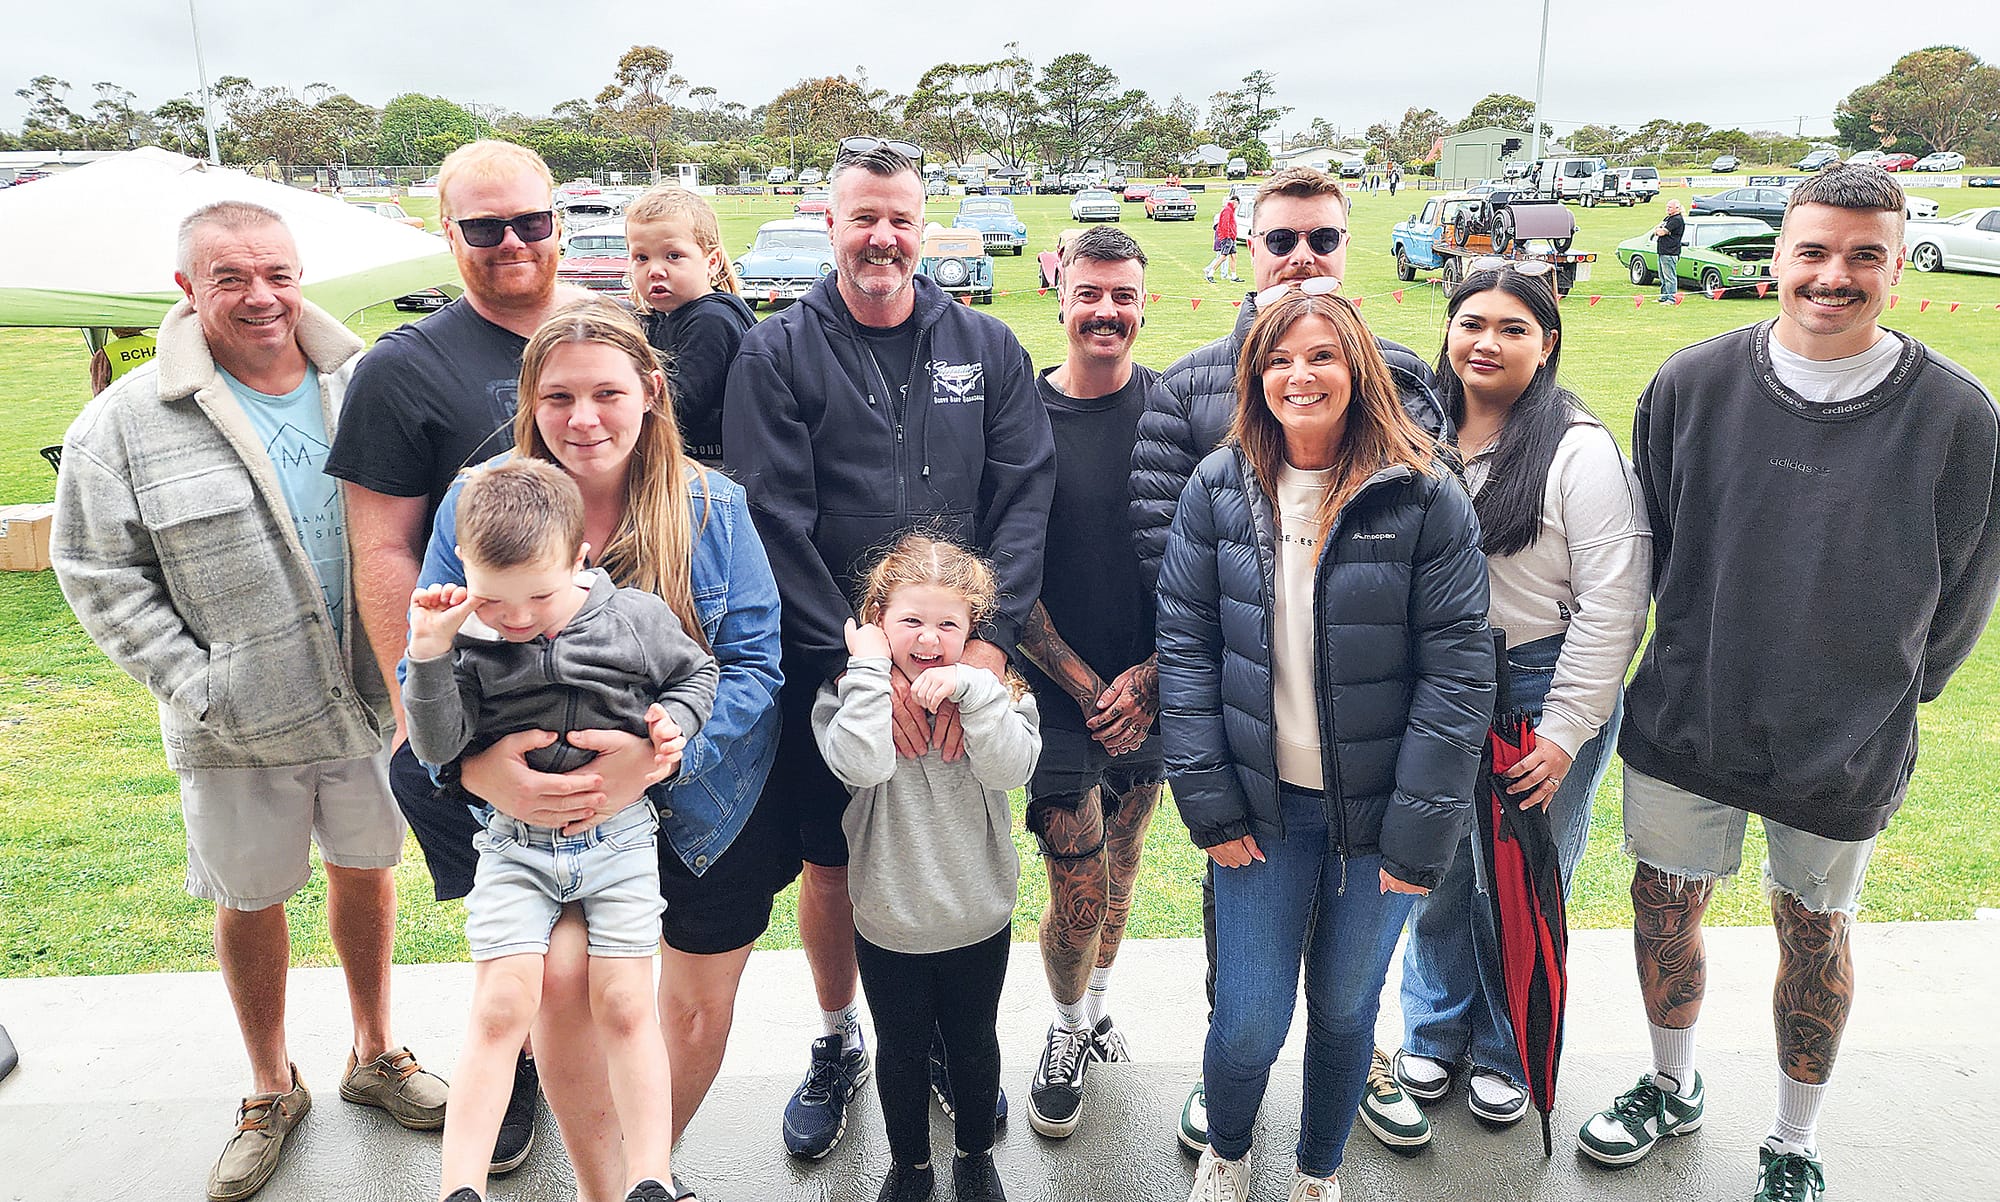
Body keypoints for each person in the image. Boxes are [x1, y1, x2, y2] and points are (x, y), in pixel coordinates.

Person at [1578, 166, 1999, 1202]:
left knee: (1813, 932)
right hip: (1689, 710)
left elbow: (1964, 584)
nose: (1832, 275)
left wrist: (1892, 688)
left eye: (1863, 255)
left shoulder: (1955, 413)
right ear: (1776, 257)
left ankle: (1791, 1138)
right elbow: (1651, 543)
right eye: (1812, 250)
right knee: (1662, 906)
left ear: (1897, 269)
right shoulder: (1690, 382)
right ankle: (1669, 1085)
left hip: (1842, 736)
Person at [50, 200, 449, 1202]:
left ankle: (374, 1051)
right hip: (233, 720)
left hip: (371, 696)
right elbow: (95, 569)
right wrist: (198, 684)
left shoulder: (366, 383)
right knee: (250, 895)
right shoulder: (124, 422)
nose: (261, 295)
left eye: (277, 272)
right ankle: (271, 1086)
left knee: (368, 869)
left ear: (300, 274)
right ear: (187, 289)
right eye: (230, 278)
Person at [723, 137, 1054, 1160]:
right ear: (829, 223)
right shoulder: (776, 352)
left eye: (899, 219)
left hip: (963, 661)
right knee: (833, 860)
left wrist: (987, 649)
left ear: (922, 228)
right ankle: (840, 1038)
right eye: (862, 217)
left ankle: (949, 1040)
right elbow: (774, 518)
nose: (881, 237)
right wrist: (860, 666)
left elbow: (1024, 493)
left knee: (954, 841)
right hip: (838, 665)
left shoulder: (985, 345)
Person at [412, 301, 785, 1202]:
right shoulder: (478, 502)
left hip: (702, 800)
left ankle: (651, 1166)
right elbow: (426, 653)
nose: (583, 420)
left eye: (608, 394)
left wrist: (660, 756)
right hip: (538, 810)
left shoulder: (712, 506)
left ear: (651, 391)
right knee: (564, 988)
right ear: (528, 403)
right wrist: (476, 770)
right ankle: (602, 1188)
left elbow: (753, 663)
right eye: (559, 397)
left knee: (687, 1005)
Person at [1127, 164, 1449, 1153]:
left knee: (1350, 981)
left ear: (1347, 246)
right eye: (1281, 239)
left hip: (1368, 745)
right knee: (1246, 973)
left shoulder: (1402, 377)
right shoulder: (1187, 385)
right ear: (1249, 245)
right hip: (1245, 735)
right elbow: (1167, 560)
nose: (1302, 257)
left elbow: (1431, 582)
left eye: (1322, 238)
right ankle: (1232, 1069)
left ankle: (1350, 1081)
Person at [1157, 289, 1495, 1202]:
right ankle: (1229, 1153)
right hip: (1261, 815)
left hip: (1377, 821)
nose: (1298, 376)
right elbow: (1186, 651)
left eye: (1321, 357)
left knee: (1346, 1011)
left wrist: (1417, 838)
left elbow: (1458, 675)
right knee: (1247, 1022)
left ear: (1359, 371)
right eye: (1278, 360)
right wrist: (1211, 804)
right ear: (1254, 377)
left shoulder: (1423, 493)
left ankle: (1318, 1171)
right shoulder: (1218, 486)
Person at [326, 138, 590, 1174]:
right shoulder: (404, 368)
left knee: (609, 907)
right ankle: (516, 1066)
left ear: (559, 221)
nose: (511, 242)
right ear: (448, 235)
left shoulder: (612, 336)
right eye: (484, 226)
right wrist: (415, 699)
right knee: (511, 907)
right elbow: (382, 545)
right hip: (483, 691)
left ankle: (598, 1071)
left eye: (530, 220)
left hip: (611, 677)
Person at [1362, 262, 1651, 1149]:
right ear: (1448, 331)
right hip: (1437, 684)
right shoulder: (1415, 427)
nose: (1486, 342)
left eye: (1513, 328)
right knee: (1438, 864)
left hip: (1536, 681)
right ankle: (1433, 1032)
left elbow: (1615, 603)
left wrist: (1564, 733)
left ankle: (1506, 1047)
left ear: (1547, 343)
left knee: (1524, 872)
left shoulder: (1579, 451)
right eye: (1472, 323)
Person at [403, 458, 720, 1202]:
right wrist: (428, 654)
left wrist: (673, 724)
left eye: (538, 597)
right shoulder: (466, 640)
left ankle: (649, 1177)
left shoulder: (633, 618)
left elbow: (697, 673)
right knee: (501, 1005)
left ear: (579, 559)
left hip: (618, 842)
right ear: (465, 566)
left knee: (624, 1001)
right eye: (493, 598)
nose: (515, 619)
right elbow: (436, 747)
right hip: (516, 848)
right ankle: (459, 1187)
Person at [815, 534, 1042, 1202]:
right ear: (876, 621)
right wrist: (865, 672)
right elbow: (861, 765)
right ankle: (909, 1166)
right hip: (889, 923)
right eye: (910, 620)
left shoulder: (1002, 696)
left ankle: (975, 1157)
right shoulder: (847, 698)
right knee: (902, 1049)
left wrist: (977, 691)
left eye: (948, 624)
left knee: (974, 1043)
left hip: (978, 918)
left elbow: (1011, 769)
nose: (927, 638)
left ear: (973, 630)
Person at [1011, 227, 1167, 1140]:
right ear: (1061, 296)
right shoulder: (1021, 417)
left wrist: (1148, 680)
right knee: (1078, 885)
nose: (1106, 311)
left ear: (1143, 303)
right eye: (1090, 294)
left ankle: (1098, 1008)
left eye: (1123, 295)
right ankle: (1066, 1027)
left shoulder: (1172, 410)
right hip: (1057, 697)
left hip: (1154, 691)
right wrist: (1082, 687)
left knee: (1126, 860)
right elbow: (1007, 572)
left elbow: (1205, 558)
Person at [624, 186, 756, 467]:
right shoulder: (662, 317)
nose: (655, 270)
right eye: (641, 258)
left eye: (673, 256)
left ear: (712, 262)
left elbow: (678, 406)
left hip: (712, 468)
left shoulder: (711, 320)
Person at [1650, 199, 1685, 303]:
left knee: (1670, 277)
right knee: (1662, 276)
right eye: (1667, 206)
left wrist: (1659, 231)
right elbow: (1657, 228)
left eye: (1670, 207)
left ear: (1677, 208)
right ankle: (1663, 297)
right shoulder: (1668, 218)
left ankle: (1671, 298)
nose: (1667, 209)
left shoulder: (1677, 220)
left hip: (1670, 252)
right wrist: (1658, 230)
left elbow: (1661, 232)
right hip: (1662, 251)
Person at [1203, 196, 1241, 285]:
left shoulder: (1231, 211)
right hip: (1227, 237)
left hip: (1231, 237)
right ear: (1235, 202)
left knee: (1234, 256)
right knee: (1223, 257)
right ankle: (1210, 274)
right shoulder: (1227, 210)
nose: (1237, 206)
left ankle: (1234, 276)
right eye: (1237, 204)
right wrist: (1227, 236)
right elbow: (1224, 224)